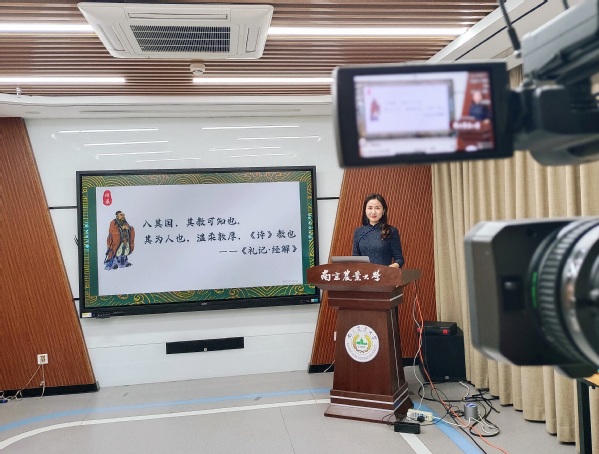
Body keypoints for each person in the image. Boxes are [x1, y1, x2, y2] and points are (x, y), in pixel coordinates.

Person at [352, 194, 404, 268]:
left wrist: (386, 270)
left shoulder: (391, 231)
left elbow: (399, 260)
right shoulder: (358, 231)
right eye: (370, 208)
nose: (373, 212)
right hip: (363, 274)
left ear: (384, 210)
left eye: (377, 208)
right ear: (365, 210)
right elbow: (355, 258)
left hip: (383, 274)